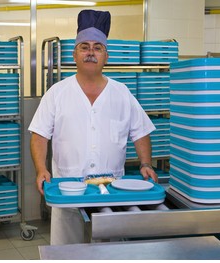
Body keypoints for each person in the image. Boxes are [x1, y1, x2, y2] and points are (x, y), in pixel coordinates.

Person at [28, 9, 158, 245]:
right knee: (67, 256)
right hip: (68, 190)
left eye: (97, 48)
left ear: (106, 56)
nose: (90, 52)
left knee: (109, 255)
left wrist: (146, 164)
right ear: (74, 54)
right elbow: (39, 135)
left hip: (112, 192)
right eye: (84, 47)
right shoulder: (57, 93)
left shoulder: (122, 93)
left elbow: (141, 132)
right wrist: (40, 169)